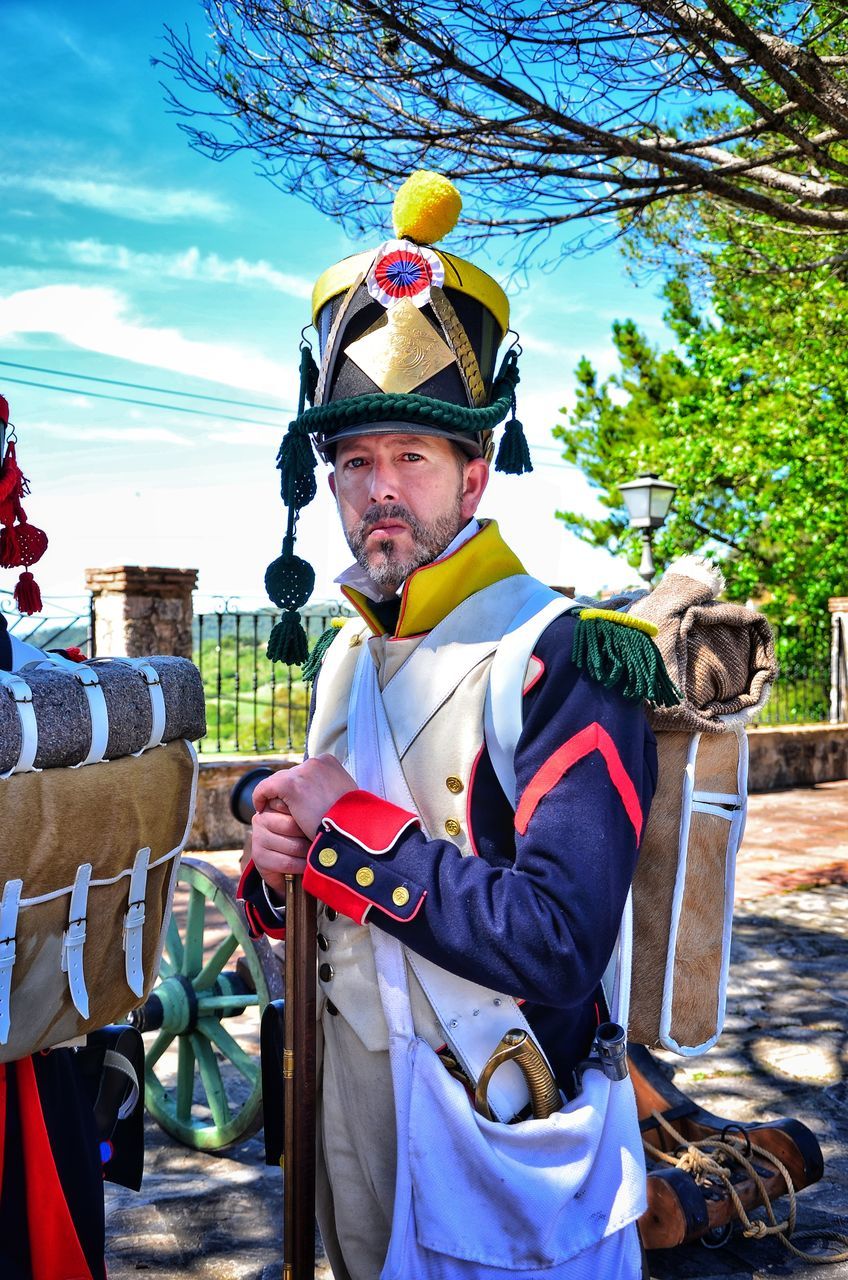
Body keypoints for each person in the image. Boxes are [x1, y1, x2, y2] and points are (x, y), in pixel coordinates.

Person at [239, 172, 666, 1280]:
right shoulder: (347, 650)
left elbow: (560, 942)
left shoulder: (564, 652)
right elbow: (332, 919)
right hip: (356, 1134)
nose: (379, 489)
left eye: (411, 457)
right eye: (354, 461)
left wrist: (352, 831)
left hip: (497, 1130)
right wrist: (280, 859)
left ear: (473, 474)